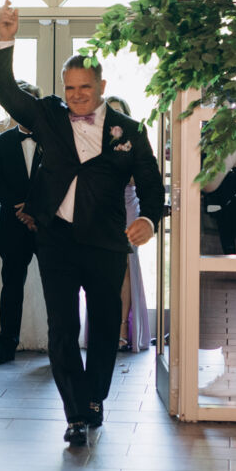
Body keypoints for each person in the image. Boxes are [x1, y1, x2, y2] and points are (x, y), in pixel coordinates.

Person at [0, 0, 164, 446]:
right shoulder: (48, 116)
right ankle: (75, 413)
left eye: (85, 87)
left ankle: (94, 398)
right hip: (57, 241)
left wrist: (149, 219)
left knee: (105, 328)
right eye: (70, 88)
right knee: (62, 329)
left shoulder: (129, 130)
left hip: (107, 243)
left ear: (101, 85)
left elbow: (152, 185)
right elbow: (5, 91)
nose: (77, 95)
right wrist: (4, 39)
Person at [0, 81, 43, 366]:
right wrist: (21, 209)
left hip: (47, 224)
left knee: (57, 286)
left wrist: (36, 209)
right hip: (12, 224)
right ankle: (6, 344)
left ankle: (61, 346)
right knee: (11, 287)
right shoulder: (2, 142)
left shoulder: (54, 139)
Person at [105, 96, 151, 354]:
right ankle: (102, 327)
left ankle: (123, 328)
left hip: (128, 206)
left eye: (118, 112)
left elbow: (140, 178)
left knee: (125, 266)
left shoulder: (135, 139)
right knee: (102, 268)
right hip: (101, 207)